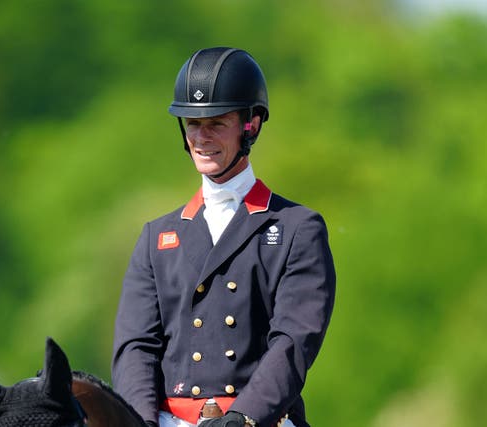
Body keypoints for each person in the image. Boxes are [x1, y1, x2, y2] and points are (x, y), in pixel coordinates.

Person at [112, 47, 335, 427]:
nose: (201, 137)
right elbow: (136, 347)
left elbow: (293, 341)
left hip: (262, 421)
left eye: (216, 123)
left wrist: (244, 417)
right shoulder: (157, 237)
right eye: (192, 124)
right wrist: (141, 421)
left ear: (251, 125)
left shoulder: (298, 228)